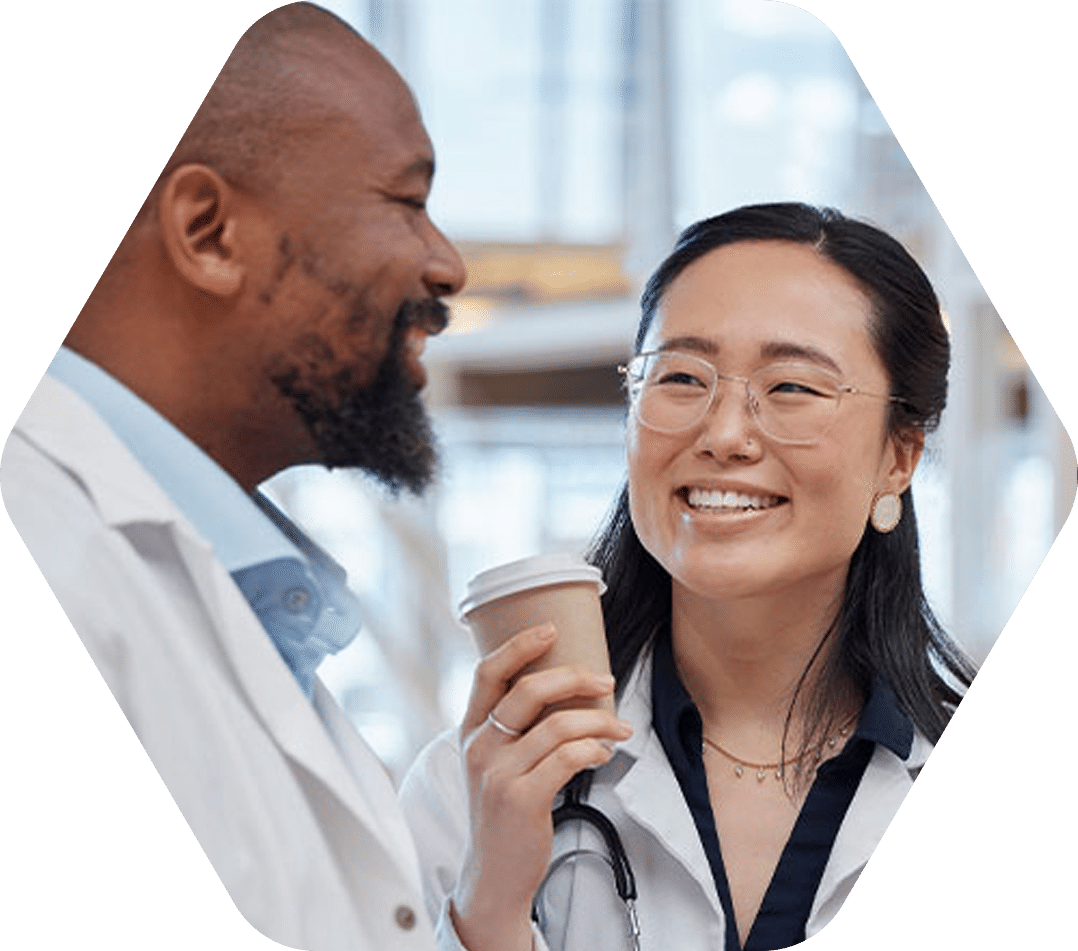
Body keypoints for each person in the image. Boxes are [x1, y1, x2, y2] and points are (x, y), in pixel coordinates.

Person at [1, 4, 468, 950]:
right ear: (209, 231)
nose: (446, 264)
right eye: (407, 201)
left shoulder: (238, 598)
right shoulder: (51, 548)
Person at [399, 202, 977, 951]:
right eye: (679, 376)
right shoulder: (468, 790)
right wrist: (490, 907)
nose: (725, 433)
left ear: (898, 458)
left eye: (792, 386)